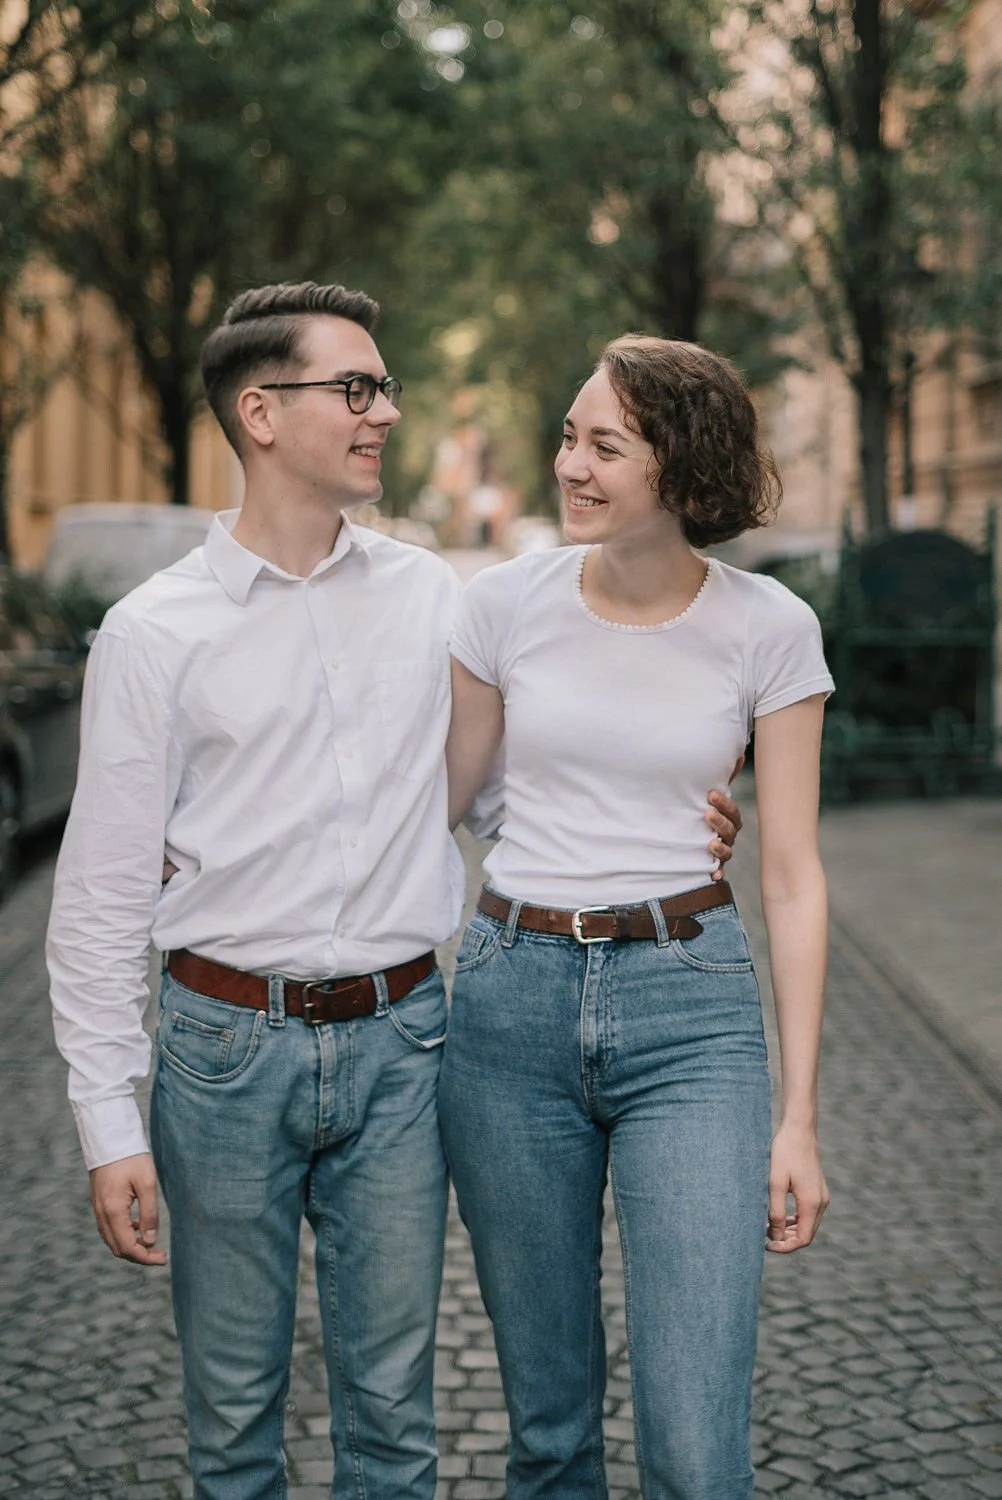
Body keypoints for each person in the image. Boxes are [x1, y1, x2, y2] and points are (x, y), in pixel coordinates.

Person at [46, 285, 743, 1500]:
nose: (386, 413)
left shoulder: (435, 601)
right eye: (356, 389)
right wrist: (109, 1124)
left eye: (387, 388)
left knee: (394, 1427)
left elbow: (498, 797)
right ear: (262, 413)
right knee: (233, 1426)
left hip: (405, 1047)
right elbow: (101, 895)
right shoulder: (154, 633)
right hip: (222, 1054)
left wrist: (663, 824)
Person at [441, 334, 833, 1500]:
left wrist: (799, 1118)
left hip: (689, 1010)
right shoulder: (500, 605)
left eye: (606, 447)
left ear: (684, 467)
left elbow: (795, 877)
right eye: (570, 437)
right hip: (509, 1003)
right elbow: (442, 804)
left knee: (697, 1447)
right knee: (549, 1432)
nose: (571, 464)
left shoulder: (770, 627)